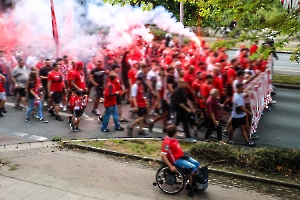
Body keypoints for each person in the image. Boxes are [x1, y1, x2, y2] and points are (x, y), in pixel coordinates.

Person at [228, 83, 255, 147]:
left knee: (243, 128)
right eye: (241, 88)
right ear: (238, 88)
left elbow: (244, 93)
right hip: (237, 116)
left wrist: (249, 88)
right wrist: (249, 113)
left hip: (241, 115)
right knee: (233, 128)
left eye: (243, 88)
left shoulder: (238, 94)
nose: (243, 89)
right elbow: (242, 107)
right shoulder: (237, 98)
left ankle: (247, 142)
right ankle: (230, 140)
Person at [171, 78, 196, 143]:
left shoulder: (183, 90)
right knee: (176, 124)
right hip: (179, 111)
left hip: (184, 111)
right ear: (179, 83)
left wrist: (188, 102)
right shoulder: (177, 91)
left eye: (184, 82)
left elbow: (185, 98)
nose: (184, 83)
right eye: (182, 82)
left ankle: (188, 137)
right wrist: (186, 108)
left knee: (184, 124)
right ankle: (170, 135)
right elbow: (179, 103)